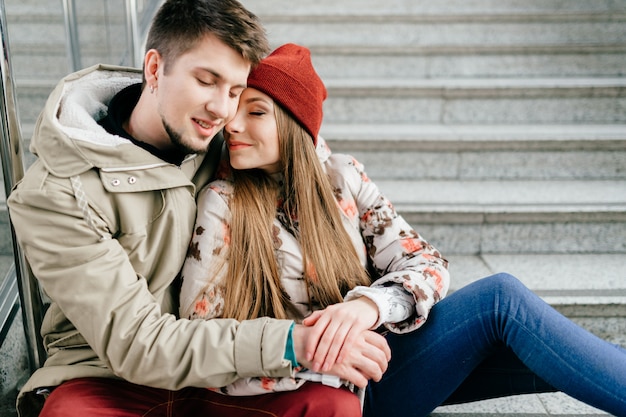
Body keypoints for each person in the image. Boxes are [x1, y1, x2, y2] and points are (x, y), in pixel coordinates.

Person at [179, 43, 626, 416]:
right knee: (501, 300)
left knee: (545, 353)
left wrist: (369, 306)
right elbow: (202, 335)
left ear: (296, 126)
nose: (232, 123)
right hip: (326, 389)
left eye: (255, 112)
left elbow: (427, 263)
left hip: (385, 358)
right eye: (238, 110)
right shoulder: (223, 203)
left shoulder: (342, 178)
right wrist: (316, 356)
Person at [6, 2, 387, 417]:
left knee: (333, 405)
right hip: (108, 379)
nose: (223, 110)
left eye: (236, 91)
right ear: (154, 69)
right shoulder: (56, 194)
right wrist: (293, 342)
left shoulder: (228, 143)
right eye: (207, 81)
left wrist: (367, 306)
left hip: (230, 375)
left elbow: (301, 152)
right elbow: (137, 345)